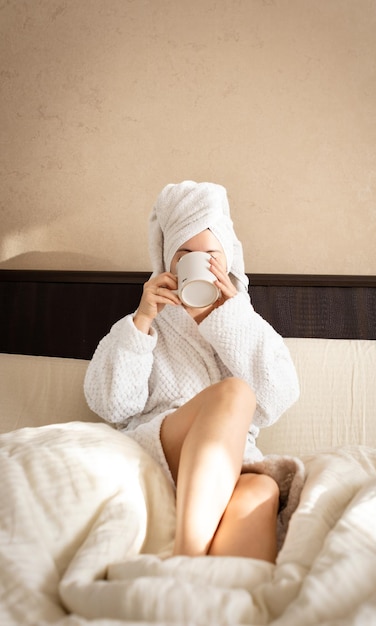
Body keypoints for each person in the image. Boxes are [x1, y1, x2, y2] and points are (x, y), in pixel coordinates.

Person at [84, 180, 299, 563]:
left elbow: (277, 399)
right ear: (168, 260)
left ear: (228, 258)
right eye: (185, 253)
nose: (200, 265)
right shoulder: (149, 323)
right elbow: (111, 405)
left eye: (211, 255)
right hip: (162, 445)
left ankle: (217, 601)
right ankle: (186, 558)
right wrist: (143, 320)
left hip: (229, 459)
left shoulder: (243, 323)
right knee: (234, 393)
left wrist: (230, 320)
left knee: (261, 492)